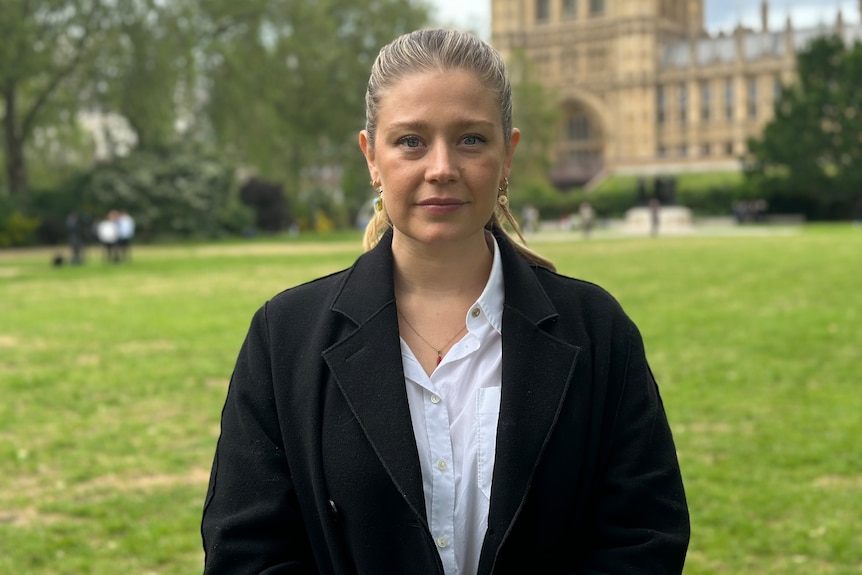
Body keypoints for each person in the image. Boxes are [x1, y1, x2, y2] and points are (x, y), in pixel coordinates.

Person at [201, 29, 689, 575]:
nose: (441, 168)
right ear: (371, 157)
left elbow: (643, 538)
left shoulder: (598, 331)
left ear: (508, 155)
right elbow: (247, 553)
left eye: (471, 140)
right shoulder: (283, 338)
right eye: (410, 140)